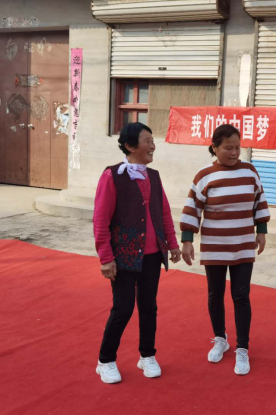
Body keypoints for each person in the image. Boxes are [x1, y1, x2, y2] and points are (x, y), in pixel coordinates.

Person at [93, 122, 181, 384]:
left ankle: (147, 355)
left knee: (149, 307)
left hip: (153, 255)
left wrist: (172, 243)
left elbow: (164, 212)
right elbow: (100, 220)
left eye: (153, 140)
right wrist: (106, 258)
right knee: (123, 308)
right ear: (130, 146)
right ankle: (105, 360)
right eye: (147, 141)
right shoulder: (112, 176)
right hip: (124, 257)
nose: (153, 146)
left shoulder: (154, 176)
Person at [180, 124, 270, 376]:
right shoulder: (204, 176)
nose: (234, 153)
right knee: (215, 293)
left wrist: (261, 230)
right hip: (215, 245)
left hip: (242, 245)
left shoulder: (250, 171)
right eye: (228, 148)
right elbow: (192, 208)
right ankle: (220, 338)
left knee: (241, 296)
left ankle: (242, 348)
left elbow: (260, 201)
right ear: (215, 148)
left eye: (238, 148)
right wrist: (187, 239)